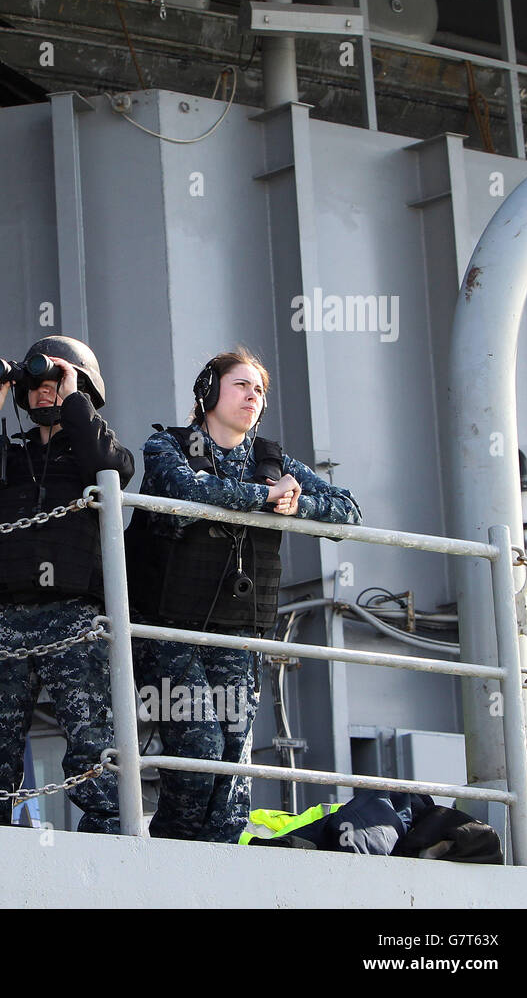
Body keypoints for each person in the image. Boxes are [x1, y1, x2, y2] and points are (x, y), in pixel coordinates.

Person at [125, 348, 362, 843]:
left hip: (240, 629)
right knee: (199, 747)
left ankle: (223, 858)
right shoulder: (166, 446)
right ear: (209, 391)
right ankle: (175, 850)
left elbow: (348, 513)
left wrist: (295, 506)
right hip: (170, 628)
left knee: (234, 756)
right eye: (240, 385)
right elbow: (187, 492)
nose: (252, 396)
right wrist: (264, 498)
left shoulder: (272, 461)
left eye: (259, 390)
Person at [0, 336, 134, 832]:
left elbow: (114, 469)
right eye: (38, 387)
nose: (45, 395)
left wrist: (75, 400)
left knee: (92, 731)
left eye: (56, 385)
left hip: (74, 613)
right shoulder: (8, 453)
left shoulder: (94, 448)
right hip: (0, 613)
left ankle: (108, 828)